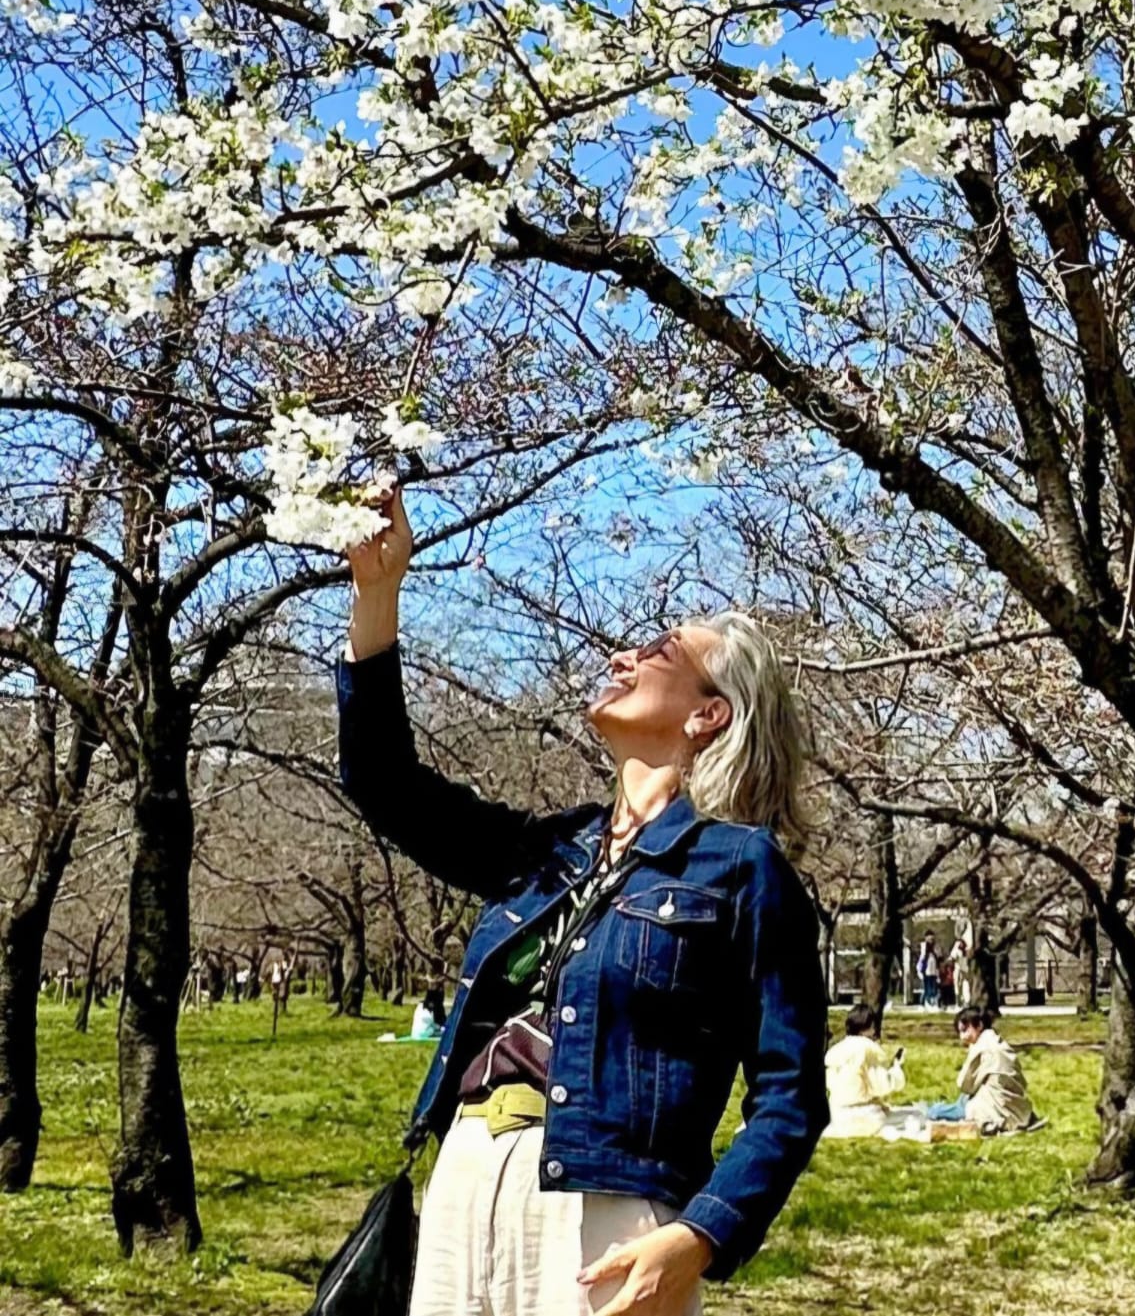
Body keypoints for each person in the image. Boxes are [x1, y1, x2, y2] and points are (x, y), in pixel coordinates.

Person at [338, 484, 829, 1316]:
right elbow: (385, 783)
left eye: (658, 651)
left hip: (606, 1210)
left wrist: (701, 1232)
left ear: (709, 714)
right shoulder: (549, 851)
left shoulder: (740, 867)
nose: (622, 657)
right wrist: (377, 592)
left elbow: (791, 1094)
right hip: (465, 1178)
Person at [924, 1007, 1037, 1135]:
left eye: (965, 1030)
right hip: (1017, 1109)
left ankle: (931, 1109)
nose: (962, 1037)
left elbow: (964, 1085)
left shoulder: (982, 1048)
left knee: (935, 1111)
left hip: (995, 1109)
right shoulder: (999, 1043)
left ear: (979, 1026)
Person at [822, 1005, 905, 1139]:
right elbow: (882, 1086)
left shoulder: (837, 1050)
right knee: (912, 1118)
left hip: (837, 1115)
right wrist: (897, 1068)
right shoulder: (867, 1049)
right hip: (862, 1116)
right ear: (868, 1026)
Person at [916, 932, 940, 1009]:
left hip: (933, 971)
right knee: (926, 988)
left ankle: (932, 1003)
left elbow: (938, 957)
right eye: (929, 939)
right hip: (926, 971)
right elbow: (922, 957)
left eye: (932, 939)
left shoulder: (935, 948)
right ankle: (924, 1003)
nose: (931, 940)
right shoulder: (924, 947)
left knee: (933, 988)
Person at [951, 939, 972, 1008]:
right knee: (957, 986)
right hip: (958, 970)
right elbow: (952, 957)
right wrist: (955, 947)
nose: (961, 945)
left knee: (966, 986)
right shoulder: (956, 951)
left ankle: (966, 1001)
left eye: (961, 943)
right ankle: (958, 1002)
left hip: (965, 970)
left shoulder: (966, 951)